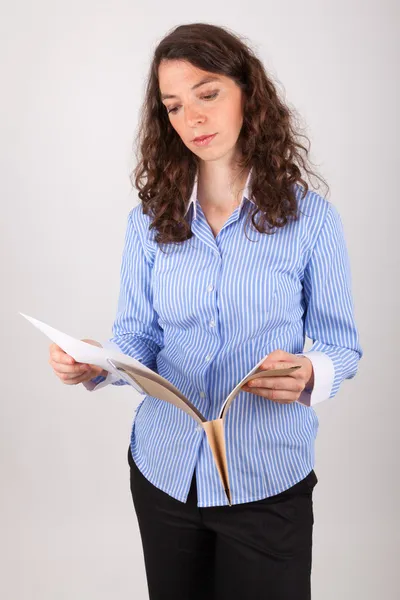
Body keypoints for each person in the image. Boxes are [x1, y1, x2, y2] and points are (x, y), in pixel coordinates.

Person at [48, 22, 363, 600]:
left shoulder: (311, 221)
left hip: (268, 477)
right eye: (173, 106)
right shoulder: (147, 223)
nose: (192, 118)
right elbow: (136, 337)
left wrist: (310, 373)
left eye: (208, 93)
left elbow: (342, 345)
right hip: (165, 472)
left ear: (248, 92)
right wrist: (99, 364)